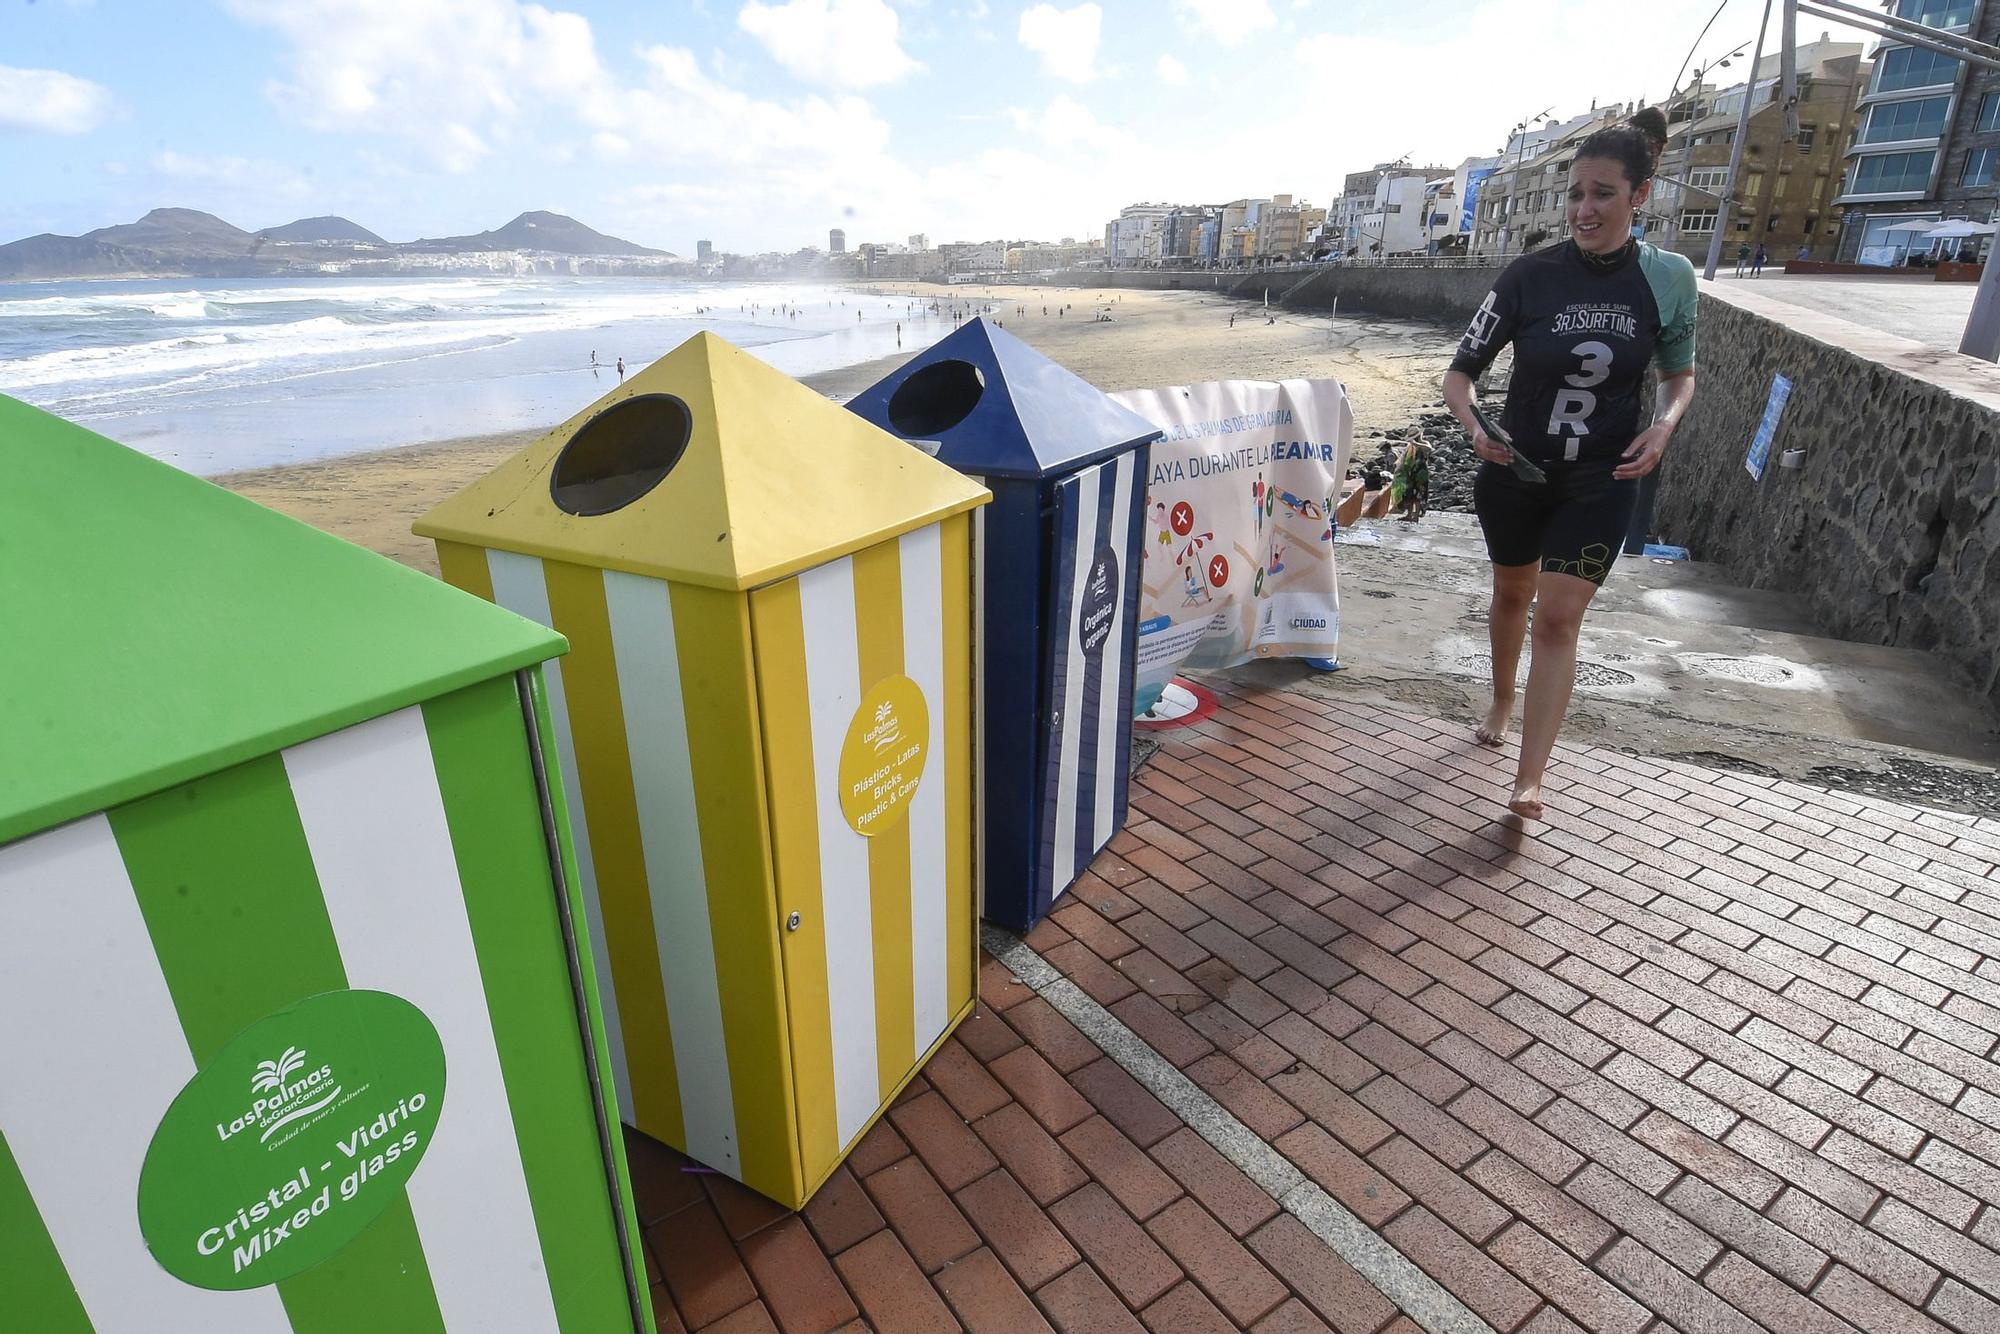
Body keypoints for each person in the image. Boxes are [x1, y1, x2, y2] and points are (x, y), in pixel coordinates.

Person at [1441, 109, 1698, 820]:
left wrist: (1665, 425)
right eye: (1577, 193)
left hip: (1603, 479)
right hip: (1517, 471)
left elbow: (1680, 374)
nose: (1585, 209)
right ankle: (1500, 699)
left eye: (1603, 194)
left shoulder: (1670, 278)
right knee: (1513, 597)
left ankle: (1530, 780)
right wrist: (1473, 428)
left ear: (1638, 196)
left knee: (1557, 619)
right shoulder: (1528, 276)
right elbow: (1460, 375)